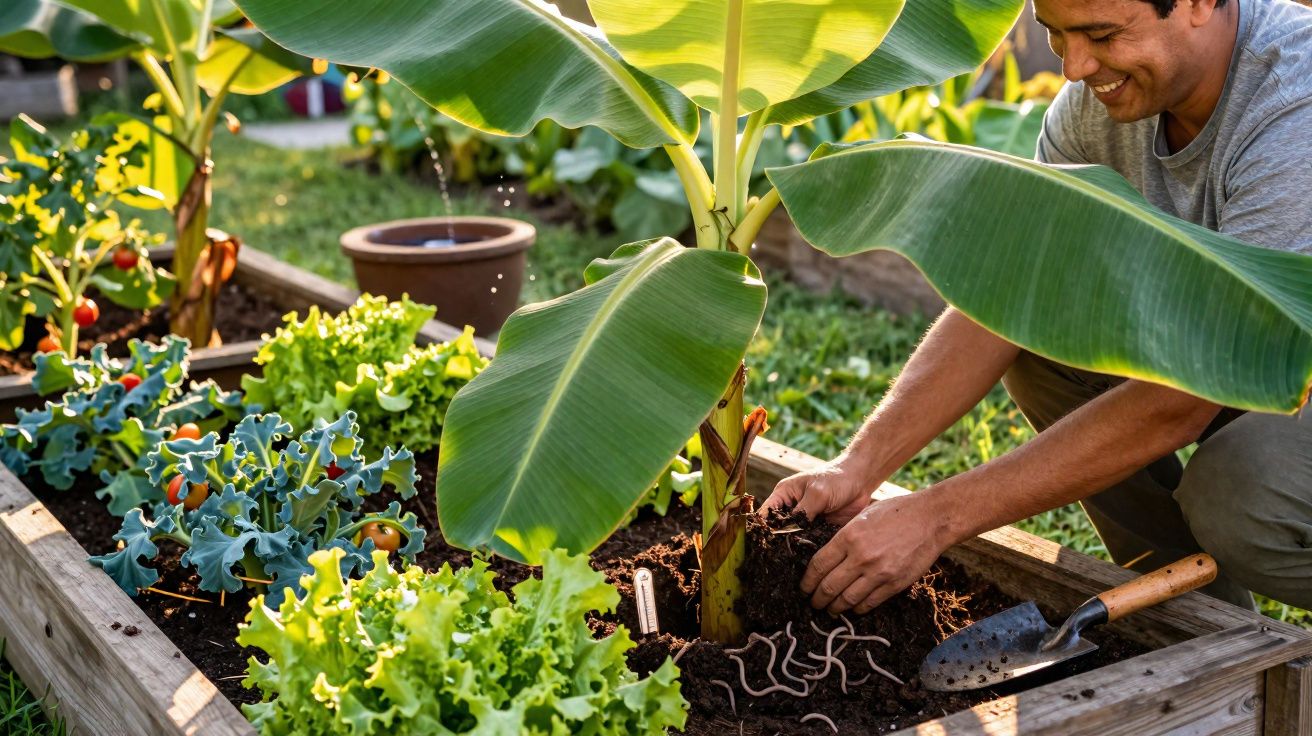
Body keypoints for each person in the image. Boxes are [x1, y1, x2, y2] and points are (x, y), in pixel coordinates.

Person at [761, 0, 1312, 615]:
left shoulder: (1293, 103)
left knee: (1240, 491)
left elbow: (1185, 397)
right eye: (1055, 37)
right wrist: (857, 467)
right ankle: (1195, 614)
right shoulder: (1098, 108)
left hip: (1285, 375)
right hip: (1259, 355)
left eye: (1100, 35)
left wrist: (936, 518)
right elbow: (1010, 290)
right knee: (1042, 341)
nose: (1075, 67)